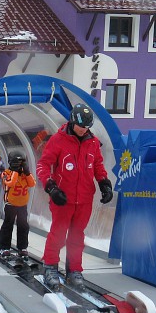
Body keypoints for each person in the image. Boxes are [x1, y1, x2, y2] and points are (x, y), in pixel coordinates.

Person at [35, 103, 113, 289]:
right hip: (63, 197)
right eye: (80, 126)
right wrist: (51, 187)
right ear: (72, 121)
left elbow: (98, 166)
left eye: (86, 127)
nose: (83, 130)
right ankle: (50, 267)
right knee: (58, 234)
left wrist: (104, 183)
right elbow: (43, 166)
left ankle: (74, 269)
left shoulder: (93, 142)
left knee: (77, 236)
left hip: (85, 199)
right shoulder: (58, 140)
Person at [0, 152, 36, 258]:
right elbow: (11, 183)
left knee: (23, 225)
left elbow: (32, 184)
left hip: (22, 205)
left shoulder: (25, 173)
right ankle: (4, 247)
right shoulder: (6, 173)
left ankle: (22, 247)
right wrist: (14, 171)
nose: (19, 164)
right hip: (11, 204)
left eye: (20, 162)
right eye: (16, 162)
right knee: (8, 225)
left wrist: (27, 172)